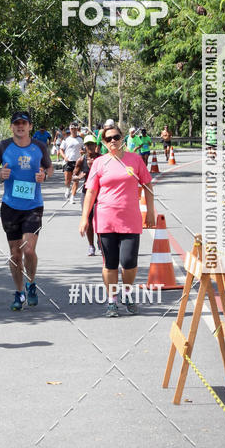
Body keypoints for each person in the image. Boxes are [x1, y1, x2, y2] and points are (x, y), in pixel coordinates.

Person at [79, 125, 155, 317]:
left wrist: (150, 212)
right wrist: (84, 218)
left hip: (130, 220)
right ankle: (112, 300)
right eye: (108, 138)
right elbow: (91, 191)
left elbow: (147, 185)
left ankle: (127, 293)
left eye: (116, 137)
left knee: (129, 262)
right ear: (104, 143)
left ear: (122, 138)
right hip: (105, 220)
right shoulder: (99, 163)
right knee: (110, 263)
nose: (113, 141)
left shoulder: (135, 160)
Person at [0, 111, 54, 311]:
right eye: (16, 123)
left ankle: (31, 283)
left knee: (28, 250)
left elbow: (50, 168)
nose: (20, 126)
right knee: (15, 255)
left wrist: (44, 175)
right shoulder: (3, 146)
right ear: (11, 127)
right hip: (10, 207)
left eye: (23, 123)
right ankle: (19, 292)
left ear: (30, 126)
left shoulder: (39, 146)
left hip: (33, 206)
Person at [72, 135, 101, 255]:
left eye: (92, 144)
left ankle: (101, 241)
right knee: (88, 219)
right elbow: (73, 176)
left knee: (100, 219)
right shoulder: (81, 160)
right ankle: (91, 245)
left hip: (100, 193)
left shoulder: (101, 159)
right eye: (88, 144)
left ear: (96, 146)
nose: (90, 147)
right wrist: (78, 177)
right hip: (86, 193)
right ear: (84, 146)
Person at [60, 122, 84, 203]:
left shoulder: (80, 139)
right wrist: (64, 157)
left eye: (75, 129)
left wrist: (83, 152)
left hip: (77, 162)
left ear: (77, 129)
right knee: (67, 179)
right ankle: (67, 188)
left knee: (76, 180)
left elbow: (83, 149)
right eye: (72, 129)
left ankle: (72, 197)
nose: (73, 130)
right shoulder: (66, 139)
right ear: (70, 129)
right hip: (68, 161)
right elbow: (61, 150)